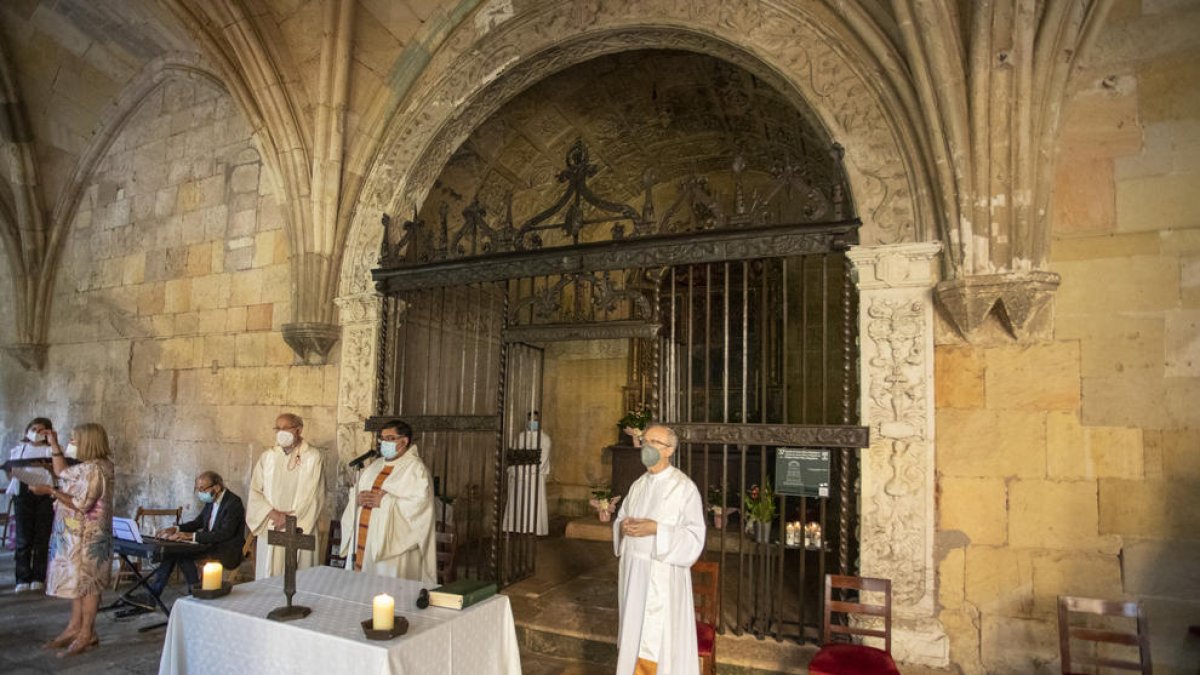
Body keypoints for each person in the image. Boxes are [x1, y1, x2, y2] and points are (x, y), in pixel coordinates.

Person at [612, 423, 706, 675]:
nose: (647, 447)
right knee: (634, 633)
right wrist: (623, 527)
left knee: (661, 641)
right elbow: (622, 517)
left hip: (662, 579)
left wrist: (656, 529)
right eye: (645, 441)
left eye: (654, 442)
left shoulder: (683, 487)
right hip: (634, 575)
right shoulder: (639, 484)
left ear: (668, 451)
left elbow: (694, 537)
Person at [31, 423, 114, 657]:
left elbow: (82, 504)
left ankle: (87, 633)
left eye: (75, 439)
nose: (72, 442)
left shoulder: (96, 469)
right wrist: (54, 443)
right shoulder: (86, 467)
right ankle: (74, 627)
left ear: (87, 442)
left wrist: (50, 491)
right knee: (78, 582)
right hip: (75, 536)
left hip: (88, 537)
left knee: (88, 584)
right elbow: (62, 472)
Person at [339, 419, 436, 583]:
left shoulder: (415, 469)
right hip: (365, 541)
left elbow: (419, 506)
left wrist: (384, 502)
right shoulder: (374, 466)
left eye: (389, 438)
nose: (384, 443)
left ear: (404, 441)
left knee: (387, 591)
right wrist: (357, 498)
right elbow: (357, 491)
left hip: (392, 548)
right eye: (382, 439)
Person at [138, 471, 245, 602]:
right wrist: (176, 528)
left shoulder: (233, 503)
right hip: (208, 544)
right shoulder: (212, 500)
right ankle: (154, 595)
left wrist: (190, 536)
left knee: (182, 554)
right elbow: (198, 522)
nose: (200, 493)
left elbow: (225, 534)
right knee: (172, 552)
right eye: (197, 489)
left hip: (225, 549)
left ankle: (194, 592)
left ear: (216, 488)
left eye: (202, 489)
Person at [246, 413, 325, 579]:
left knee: (300, 577)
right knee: (269, 577)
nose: (281, 432)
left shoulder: (312, 457)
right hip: (271, 523)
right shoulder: (268, 457)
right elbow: (255, 491)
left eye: (286, 428)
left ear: (299, 429)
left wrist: (291, 519)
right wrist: (273, 514)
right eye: (278, 428)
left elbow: (314, 495)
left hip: (300, 525)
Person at [7, 417, 55, 593]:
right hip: (23, 493)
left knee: (42, 537)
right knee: (23, 538)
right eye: (34, 429)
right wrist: (11, 472)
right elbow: (11, 475)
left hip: (45, 494)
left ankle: (38, 576)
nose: (36, 433)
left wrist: (47, 467)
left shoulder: (52, 450)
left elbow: (59, 473)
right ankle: (22, 577)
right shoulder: (19, 450)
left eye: (41, 430)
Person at [502, 411, 551, 536]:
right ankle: (516, 527)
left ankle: (534, 528)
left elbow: (542, 460)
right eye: (530, 419)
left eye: (535, 420)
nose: (532, 422)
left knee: (533, 502)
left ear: (539, 421)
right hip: (519, 476)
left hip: (535, 478)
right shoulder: (520, 437)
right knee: (519, 501)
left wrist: (527, 471)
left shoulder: (544, 439)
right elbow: (513, 456)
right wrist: (518, 470)